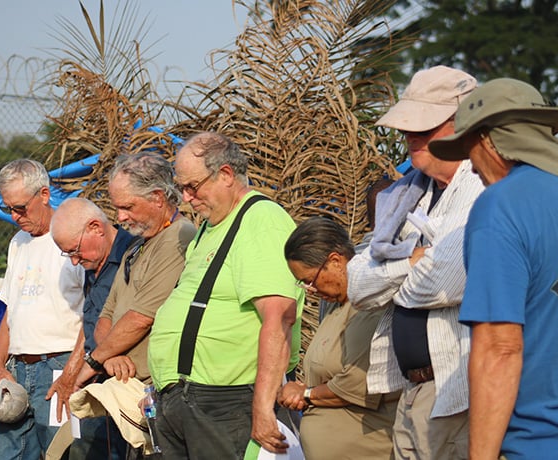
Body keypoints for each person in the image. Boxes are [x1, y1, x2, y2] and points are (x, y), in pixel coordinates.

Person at [427, 77, 558, 459]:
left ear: (490, 141)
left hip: (550, 443)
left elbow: (499, 349)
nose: (470, 168)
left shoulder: (500, 206)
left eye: (470, 150)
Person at [346, 65, 484, 460]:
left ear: (462, 124)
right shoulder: (405, 194)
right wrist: (416, 258)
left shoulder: (481, 186)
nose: (411, 137)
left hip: (457, 388)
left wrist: (393, 271)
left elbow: (445, 280)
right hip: (413, 389)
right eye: (409, 129)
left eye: (425, 127)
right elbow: (356, 284)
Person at [147, 131, 304, 458]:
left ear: (227, 175)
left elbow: (279, 317)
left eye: (192, 186)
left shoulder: (261, 219)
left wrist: (262, 410)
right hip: (185, 403)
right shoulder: (209, 226)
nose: (187, 198)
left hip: (225, 404)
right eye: (182, 188)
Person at [277, 216, 399, 459]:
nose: (311, 290)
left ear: (335, 261)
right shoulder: (336, 305)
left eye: (310, 280)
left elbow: (358, 382)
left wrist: (307, 394)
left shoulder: (367, 304)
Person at [73, 152, 196, 389]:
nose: (120, 217)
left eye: (128, 207)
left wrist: (96, 360)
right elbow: (106, 314)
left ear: (158, 198)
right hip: (124, 381)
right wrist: (110, 356)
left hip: (155, 386)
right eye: (117, 208)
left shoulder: (178, 238)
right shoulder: (137, 243)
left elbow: (141, 318)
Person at [0, 159, 85, 460]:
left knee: (62, 452)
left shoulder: (72, 237)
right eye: (8, 209)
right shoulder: (17, 242)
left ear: (44, 195)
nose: (15, 216)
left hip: (58, 366)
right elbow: (10, 310)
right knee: (5, 454)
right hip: (16, 369)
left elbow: (94, 313)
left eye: (20, 207)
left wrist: (72, 371)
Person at [49, 197, 136, 459]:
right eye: (68, 254)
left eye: (75, 251)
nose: (74, 262)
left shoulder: (133, 256)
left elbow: (142, 318)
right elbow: (93, 322)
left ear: (96, 227)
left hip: (125, 380)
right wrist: (72, 372)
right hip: (96, 378)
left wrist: (110, 354)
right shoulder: (93, 261)